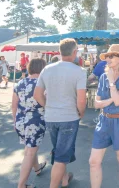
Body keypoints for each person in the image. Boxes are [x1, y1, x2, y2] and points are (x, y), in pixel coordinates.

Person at [34, 38, 86, 188]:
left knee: (59, 150)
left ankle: (64, 178)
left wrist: (48, 105)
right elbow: (81, 100)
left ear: (59, 52)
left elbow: (37, 95)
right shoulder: (79, 71)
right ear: (75, 52)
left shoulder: (47, 69)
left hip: (51, 116)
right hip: (69, 117)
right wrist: (81, 112)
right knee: (61, 157)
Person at [89, 44, 119, 188]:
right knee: (93, 161)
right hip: (103, 120)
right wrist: (109, 99)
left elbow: (118, 101)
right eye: (107, 56)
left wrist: (111, 83)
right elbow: (96, 104)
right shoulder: (103, 76)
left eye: (112, 56)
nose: (108, 59)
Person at [12, 58, 48, 188]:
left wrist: (14, 120)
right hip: (36, 121)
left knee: (29, 148)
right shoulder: (42, 84)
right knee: (29, 152)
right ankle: (21, 185)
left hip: (20, 120)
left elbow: (14, 105)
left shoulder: (20, 83)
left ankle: (37, 168)